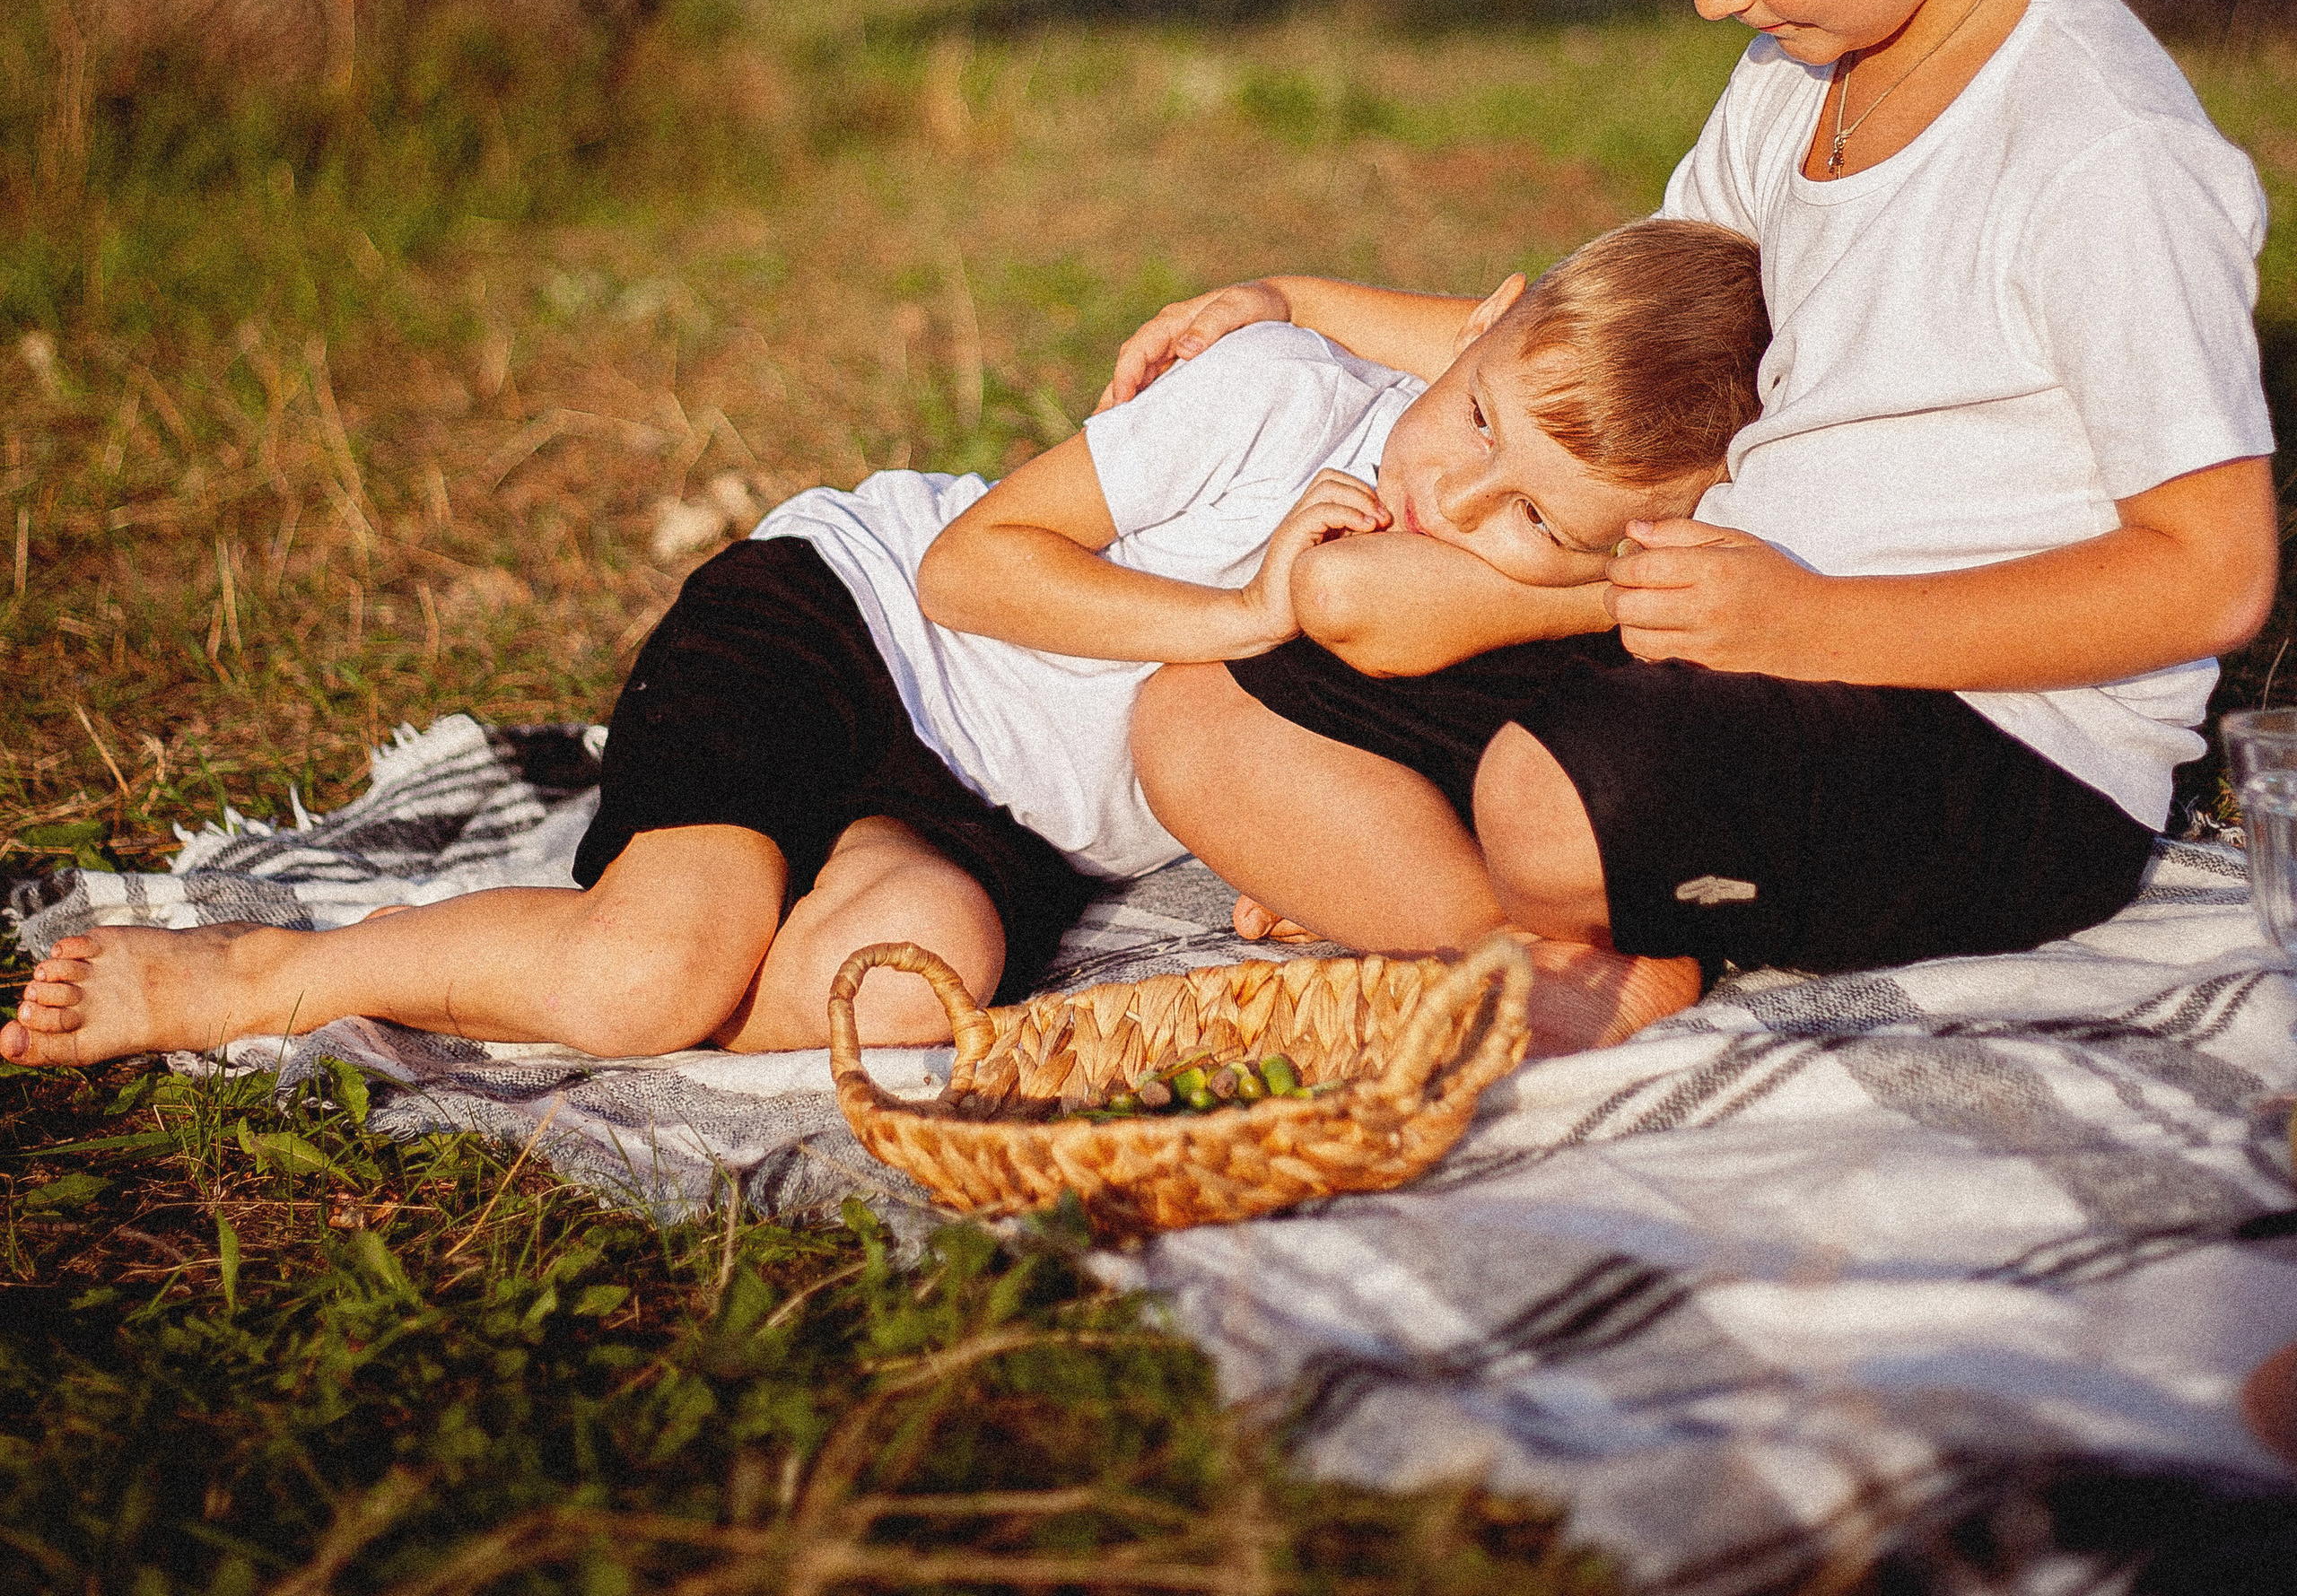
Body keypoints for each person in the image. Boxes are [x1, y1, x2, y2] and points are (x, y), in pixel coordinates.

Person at [1117, 0, 2282, 986]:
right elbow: (1594, 352)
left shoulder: (2099, 152)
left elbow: (2213, 577)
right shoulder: (1797, 80)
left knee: (1548, 799)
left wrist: (1815, 623)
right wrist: (1297, 305)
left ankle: (1493, 905)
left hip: (1996, 738)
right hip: (1733, 658)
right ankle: (1528, 949)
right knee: (1199, 717)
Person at [0, 219, 1766, 1072]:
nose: (1459, 507)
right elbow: (981, 572)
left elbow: (1288, 773)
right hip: (842, 631)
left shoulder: (1455, 599)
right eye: (1464, 421)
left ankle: (590, 956)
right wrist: (1239, 610)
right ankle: (263, 972)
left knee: (910, 987)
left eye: (1536, 523)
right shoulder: (1271, 397)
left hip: (979, 819)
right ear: (1464, 332)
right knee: (645, 976)